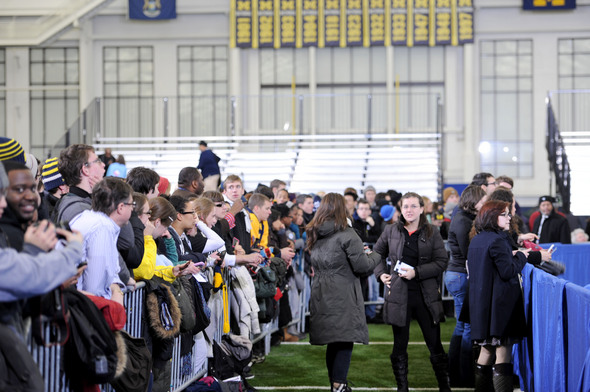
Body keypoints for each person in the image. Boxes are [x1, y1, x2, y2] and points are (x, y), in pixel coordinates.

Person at [373, 192, 450, 392]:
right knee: (399, 345)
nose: (409, 210)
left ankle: (445, 387)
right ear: (400, 209)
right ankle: (402, 388)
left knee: (435, 344)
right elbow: (376, 254)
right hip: (399, 295)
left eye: (414, 206)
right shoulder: (391, 230)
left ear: (422, 209)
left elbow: (442, 262)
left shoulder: (432, 231)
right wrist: (381, 274)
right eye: (405, 206)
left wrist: (417, 272)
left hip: (426, 296)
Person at [305, 193, 381, 392]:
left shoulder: (316, 233)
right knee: (344, 339)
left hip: (321, 292)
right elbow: (362, 266)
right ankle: (339, 385)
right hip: (342, 293)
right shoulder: (347, 233)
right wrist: (375, 255)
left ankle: (336, 384)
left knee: (334, 340)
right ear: (342, 209)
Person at [467, 200, 541, 391]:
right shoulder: (497, 240)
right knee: (502, 355)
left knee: (486, 349)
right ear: (492, 216)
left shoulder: (478, 239)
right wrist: (521, 256)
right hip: (500, 308)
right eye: (505, 214)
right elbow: (508, 271)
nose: (509, 218)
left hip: (483, 307)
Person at [444, 184, 487, 387]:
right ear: (473, 201)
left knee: (463, 325)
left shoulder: (463, 217)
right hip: (460, 274)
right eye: (482, 199)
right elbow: (469, 252)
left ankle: (456, 374)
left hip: (458, 274)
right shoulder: (462, 220)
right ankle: (463, 375)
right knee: (466, 326)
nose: (485, 203)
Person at [69, 177, 135, 303]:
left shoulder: (94, 219)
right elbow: (94, 289)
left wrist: (115, 286)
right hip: (84, 309)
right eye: (132, 204)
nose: (132, 208)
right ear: (121, 207)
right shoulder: (102, 228)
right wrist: (115, 294)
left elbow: (112, 271)